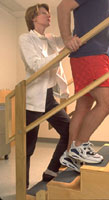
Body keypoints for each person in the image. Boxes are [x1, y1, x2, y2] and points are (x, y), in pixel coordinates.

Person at [57, 0, 109, 171]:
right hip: (91, 54)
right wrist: (67, 38)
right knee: (107, 102)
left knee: (83, 106)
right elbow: (63, 7)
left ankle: (70, 153)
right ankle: (79, 144)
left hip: (96, 55)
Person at [19, 3, 70, 188]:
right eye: (43, 13)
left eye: (48, 13)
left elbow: (66, 39)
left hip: (48, 98)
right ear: (33, 18)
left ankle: (51, 171)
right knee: (27, 147)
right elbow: (35, 64)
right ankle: (21, 185)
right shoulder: (25, 39)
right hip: (32, 100)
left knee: (69, 130)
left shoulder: (49, 39)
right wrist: (61, 54)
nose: (48, 15)